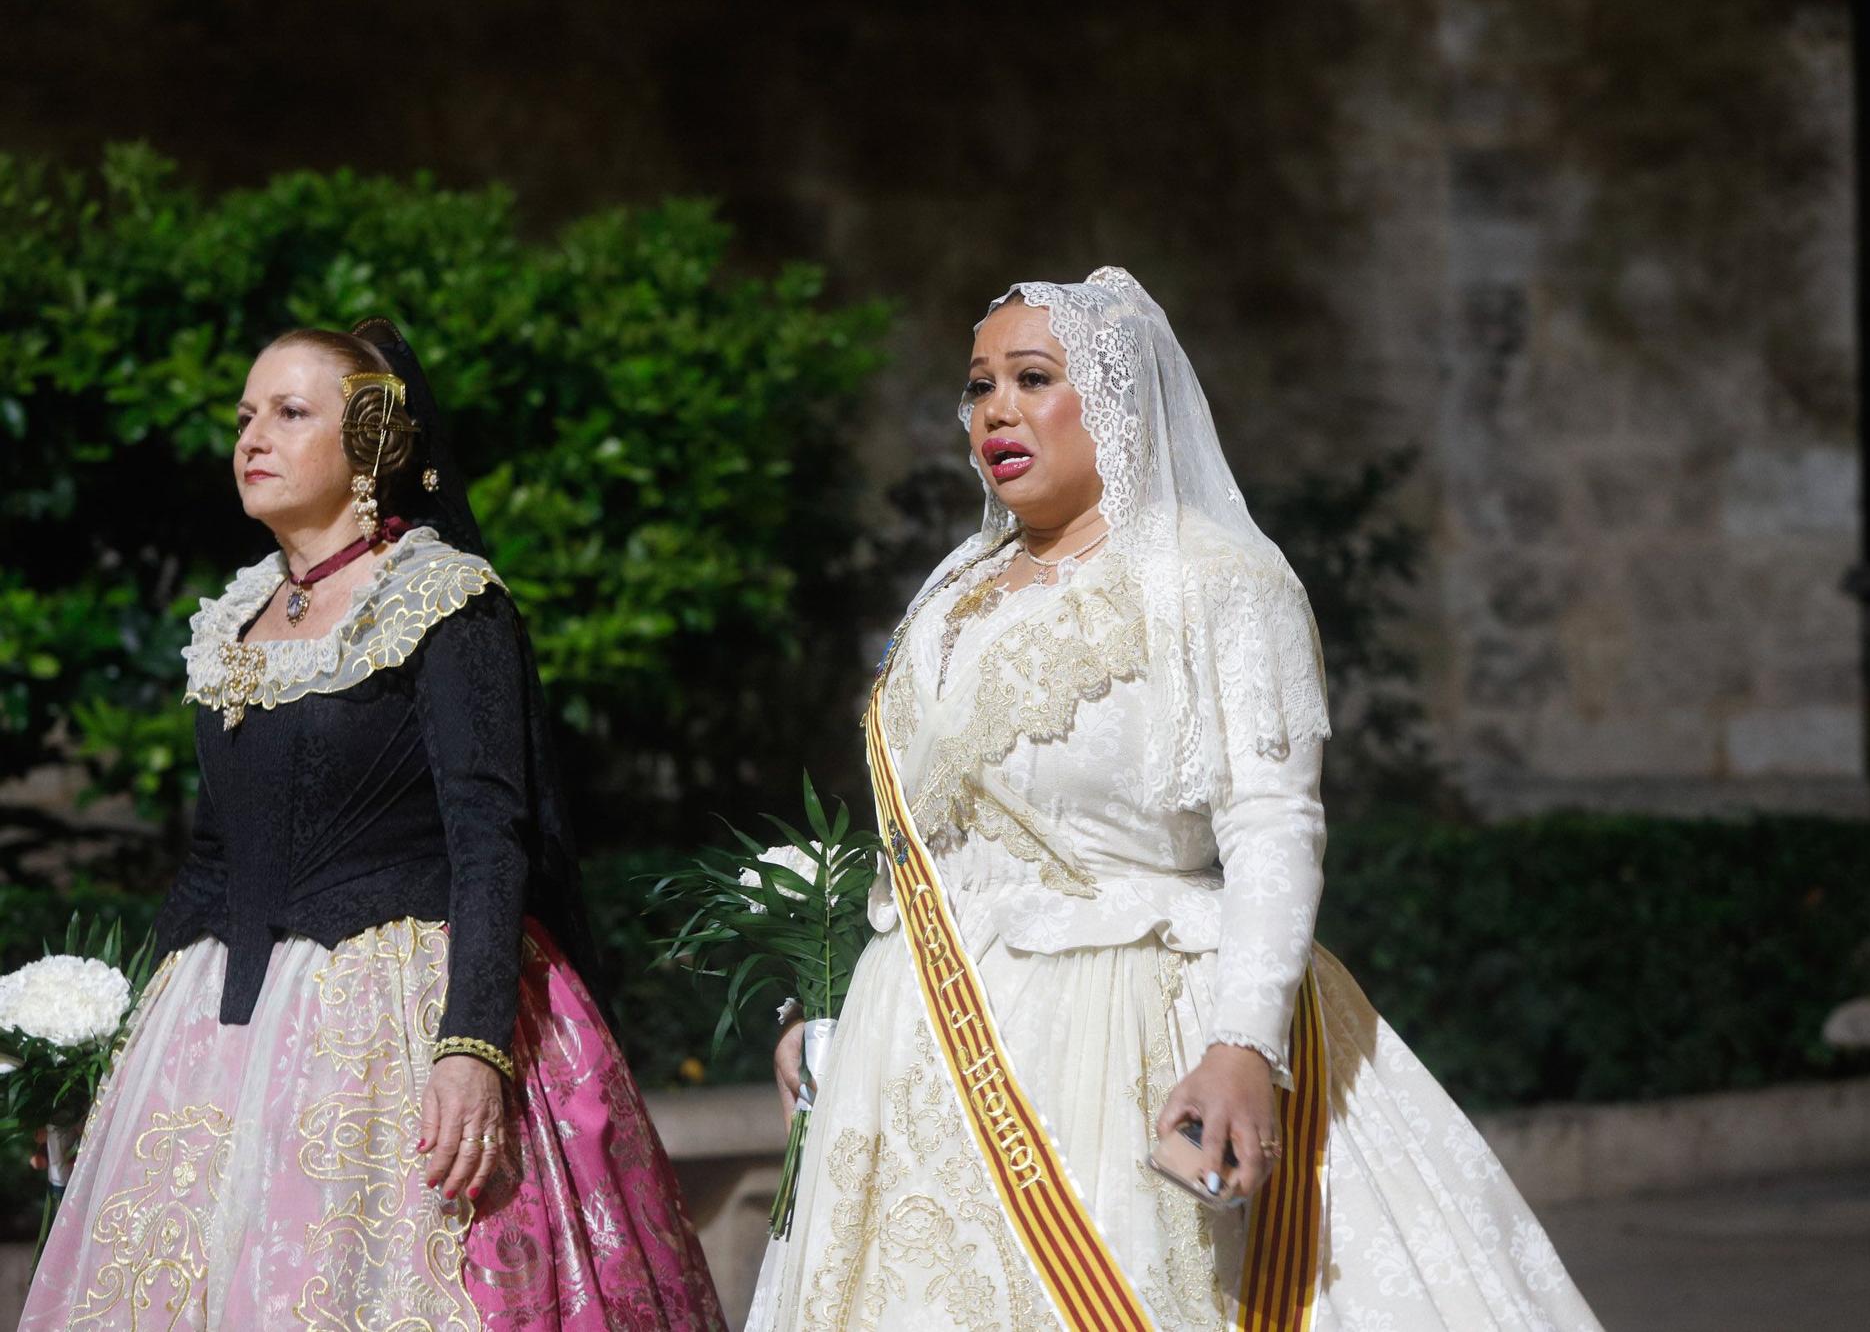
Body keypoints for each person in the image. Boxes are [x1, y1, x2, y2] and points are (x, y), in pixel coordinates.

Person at [747, 269, 1603, 1330]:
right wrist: (817, 999)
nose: (996, 411)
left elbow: (1272, 822)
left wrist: (1244, 1045)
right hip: (913, 1046)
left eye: (1032, 378)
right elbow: (923, 828)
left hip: (1128, 1030)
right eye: (978, 387)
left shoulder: (1216, 579)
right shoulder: (949, 590)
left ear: (1116, 397)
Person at [20, 320, 724, 1330]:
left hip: (399, 1014)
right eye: (245, 416)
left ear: (374, 442)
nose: (252, 436)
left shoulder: (440, 600)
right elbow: (212, 860)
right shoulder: (236, 622)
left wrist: (472, 1047)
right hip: (222, 1024)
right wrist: (122, 1062)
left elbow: (490, 838)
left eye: (290, 413)